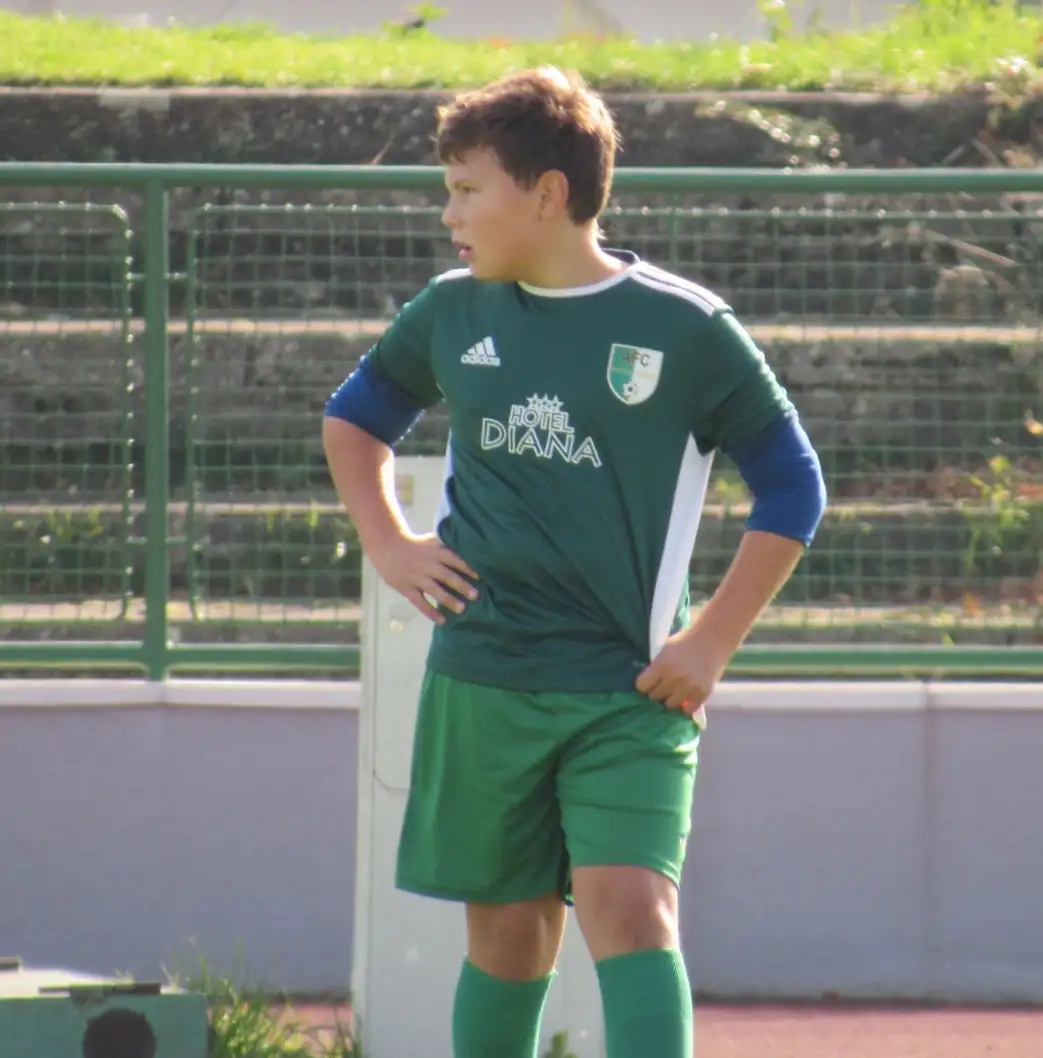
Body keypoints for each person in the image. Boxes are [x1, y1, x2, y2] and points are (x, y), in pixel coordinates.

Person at [323, 65, 826, 1058]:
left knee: (631, 908)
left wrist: (710, 642)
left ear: (548, 193)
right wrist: (388, 541)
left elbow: (793, 486)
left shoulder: (686, 328)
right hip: (485, 678)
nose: (450, 215)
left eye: (467, 190)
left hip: (628, 687)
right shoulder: (451, 310)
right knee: (509, 932)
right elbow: (355, 418)